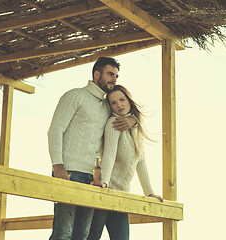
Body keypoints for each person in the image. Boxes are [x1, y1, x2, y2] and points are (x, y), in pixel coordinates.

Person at [48, 57, 136, 240]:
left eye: (116, 76)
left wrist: (133, 120)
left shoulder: (106, 106)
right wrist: (58, 166)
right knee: (63, 233)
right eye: (110, 74)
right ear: (97, 74)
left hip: (92, 179)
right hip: (69, 172)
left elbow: (125, 110)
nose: (114, 79)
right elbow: (55, 130)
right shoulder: (74, 95)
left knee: (82, 235)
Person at [87, 85, 163, 240]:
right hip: (106, 191)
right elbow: (109, 154)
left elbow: (140, 162)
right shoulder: (113, 123)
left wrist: (149, 193)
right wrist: (105, 183)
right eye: (113, 103)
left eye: (122, 100)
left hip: (122, 195)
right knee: (91, 238)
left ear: (129, 100)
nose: (119, 105)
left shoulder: (135, 127)